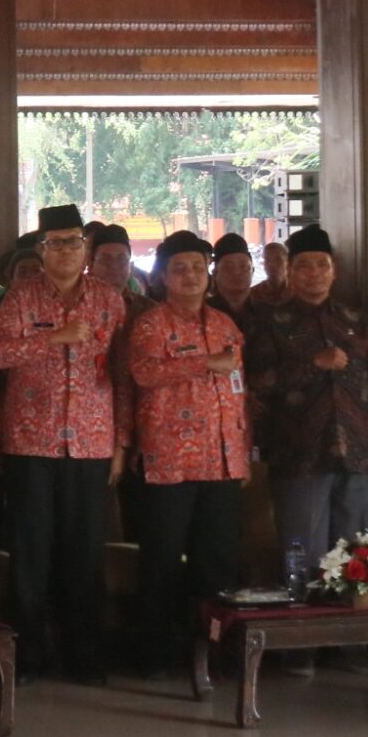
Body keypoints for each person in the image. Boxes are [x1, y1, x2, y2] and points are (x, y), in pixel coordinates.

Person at [0, 204, 130, 684]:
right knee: (30, 553)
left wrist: (121, 443)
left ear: (85, 247)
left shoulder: (110, 301)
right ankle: (27, 656)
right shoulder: (21, 298)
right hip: (30, 443)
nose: (66, 251)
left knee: (84, 552)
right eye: (56, 243)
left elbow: (124, 376)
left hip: (90, 444)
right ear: (40, 249)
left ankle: (84, 654)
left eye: (73, 242)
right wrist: (54, 340)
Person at [243, 224, 368, 661]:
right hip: (299, 453)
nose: (314, 274)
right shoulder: (269, 321)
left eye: (322, 266)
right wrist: (312, 363)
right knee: (303, 554)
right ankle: (302, 650)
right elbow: (256, 383)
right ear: (290, 271)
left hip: (357, 453)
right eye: (303, 266)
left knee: (358, 554)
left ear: (334, 271)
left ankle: (354, 648)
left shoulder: (356, 322)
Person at [120, 231, 249, 677]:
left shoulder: (225, 325)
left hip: (222, 461)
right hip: (169, 462)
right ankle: (156, 655)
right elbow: (143, 373)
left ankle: (215, 653)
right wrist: (203, 363)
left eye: (197, 267)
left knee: (216, 563)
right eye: (180, 269)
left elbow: (238, 390)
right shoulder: (151, 324)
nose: (190, 276)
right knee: (161, 561)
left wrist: (241, 451)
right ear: (163, 277)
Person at [209, 233, 257, 318]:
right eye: (228, 267)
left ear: (252, 271)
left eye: (243, 266)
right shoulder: (202, 314)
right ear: (215, 273)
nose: (236, 272)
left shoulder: (267, 313)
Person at [251, 239, 291, 307]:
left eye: (278, 260)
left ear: (288, 263)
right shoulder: (254, 294)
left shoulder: (299, 293)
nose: (272, 264)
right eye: (267, 260)